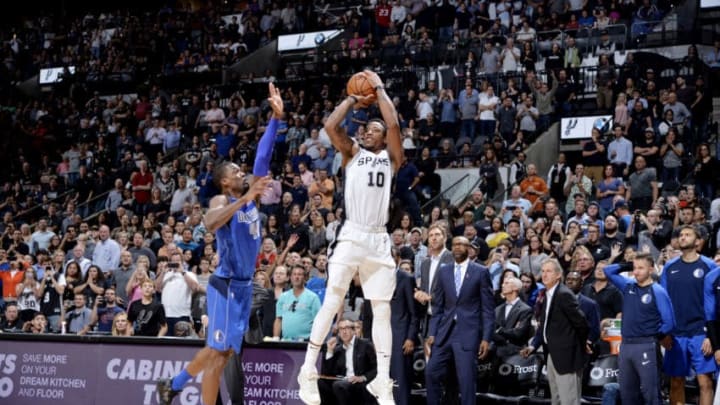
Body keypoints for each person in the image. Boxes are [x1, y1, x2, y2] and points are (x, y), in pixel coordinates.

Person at [157, 83, 282, 405]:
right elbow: (210, 223)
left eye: (244, 171)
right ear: (226, 180)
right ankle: (178, 386)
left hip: (243, 287)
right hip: (223, 284)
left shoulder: (250, 197)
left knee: (223, 354)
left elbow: (263, 156)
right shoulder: (221, 199)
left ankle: (177, 386)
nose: (244, 173)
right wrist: (245, 200)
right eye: (237, 171)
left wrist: (275, 119)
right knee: (215, 351)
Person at [297, 70, 403, 405]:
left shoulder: (392, 158)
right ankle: (307, 371)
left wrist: (380, 89)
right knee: (333, 300)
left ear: (383, 138)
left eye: (375, 130)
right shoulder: (351, 153)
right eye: (366, 129)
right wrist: (353, 98)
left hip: (378, 238)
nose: (368, 132)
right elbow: (330, 127)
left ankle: (383, 380)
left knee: (382, 310)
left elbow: (395, 125)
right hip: (352, 233)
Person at [424, 236, 494, 405]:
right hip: (444, 333)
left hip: (467, 333)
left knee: (466, 382)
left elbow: (488, 309)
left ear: (469, 249)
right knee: (431, 372)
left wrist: (486, 338)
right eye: (454, 244)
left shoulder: (480, 271)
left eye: (461, 245)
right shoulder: (444, 271)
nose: (457, 247)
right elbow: (438, 307)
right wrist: (432, 333)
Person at [604, 253, 675, 405]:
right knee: (627, 394)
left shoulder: (657, 291)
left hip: (646, 345)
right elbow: (608, 271)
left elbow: (669, 322)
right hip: (626, 346)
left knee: (651, 394)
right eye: (634, 268)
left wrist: (653, 337)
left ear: (651, 269)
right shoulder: (628, 285)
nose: (636, 272)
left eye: (641, 268)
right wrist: (630, 264)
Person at [659, 225, 717, 405]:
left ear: (698, 241)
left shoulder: (709, 266)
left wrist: (711, 336)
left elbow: (716, 303)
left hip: (701, 332)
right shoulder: (669, 267)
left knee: (705, 382)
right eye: (681, 235)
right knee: (676, 382)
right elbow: (663, 302)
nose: (682, 237)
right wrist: (664, 332)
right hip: (676, 334)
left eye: (687, 235)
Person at [521, 258, 589, 405]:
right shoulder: (546, 294)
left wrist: (578, 346)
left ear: (558, 275)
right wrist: (533, 346)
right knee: (556, 400)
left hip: (566, 355)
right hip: (551, 353)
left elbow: (582, 323)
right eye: (543, 271)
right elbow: (544, 326)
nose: (544, 275)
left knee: (569, 400)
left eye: (549, 271)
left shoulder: (564, 294)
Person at [318, 317, 378, 405]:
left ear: (353, 331)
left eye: (347, 328)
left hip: (359, 383)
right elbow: (326, 373)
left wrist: (363, 377)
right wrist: (330, 351)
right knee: (320, 383)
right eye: (341, 329)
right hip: (342, 381)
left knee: (338, 386)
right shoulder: (337, 348)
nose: (344, 332)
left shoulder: (365, 345)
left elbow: (376, 368)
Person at [390, 260, 419, 405]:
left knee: (400, 381)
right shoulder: (376, 278)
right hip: (382, 338)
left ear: (396, 259)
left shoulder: (406, 278)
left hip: (401, 338)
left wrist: (410, 338)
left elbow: (414, 313)